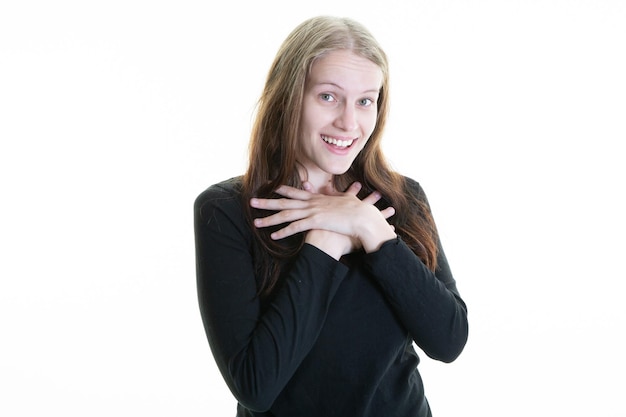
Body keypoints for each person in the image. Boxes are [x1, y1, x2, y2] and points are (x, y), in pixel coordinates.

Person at [194, 15, 468, 417]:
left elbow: (449, 340)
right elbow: (256, 385)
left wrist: (372, 230)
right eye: (328, 96)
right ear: (289, 97)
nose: (349, 122)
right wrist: (325, 242)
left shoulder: (403, 198)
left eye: (365, 101)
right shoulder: (226, 211)